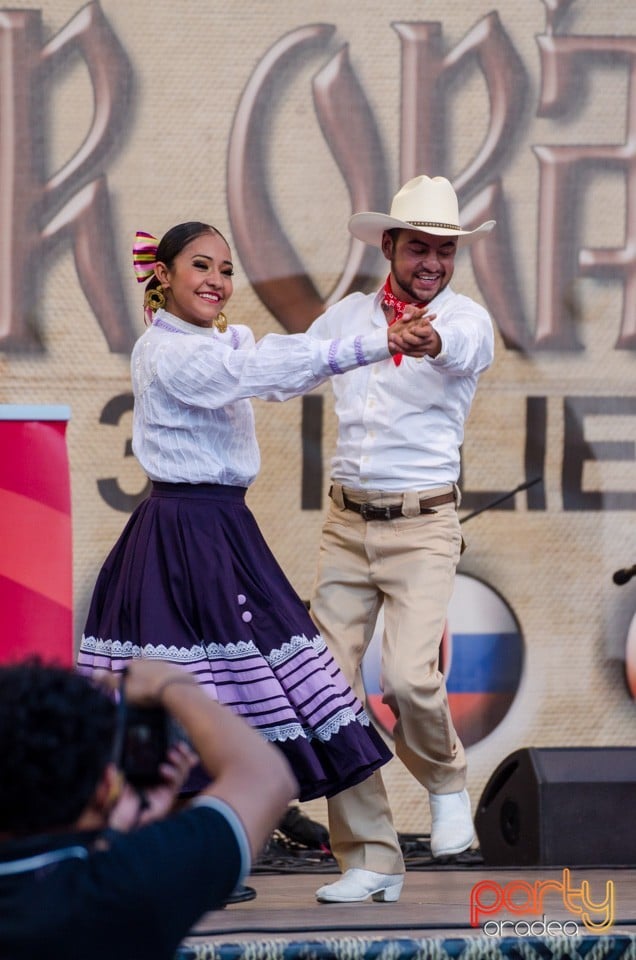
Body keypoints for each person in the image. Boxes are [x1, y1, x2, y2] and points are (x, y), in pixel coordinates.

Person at [77, 220, 433, 804]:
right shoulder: (165, 350)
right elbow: (256, 374)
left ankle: (214, 835)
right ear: (162, 275)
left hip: (221, 528)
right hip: (183, 532)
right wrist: (381, 342)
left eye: (226, 269)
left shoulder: (223, 342)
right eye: (201, 265)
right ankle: (188, 837)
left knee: (236, 678)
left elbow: (272, 359)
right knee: (200, 679)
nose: (217, 279)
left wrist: (375, 339)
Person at [307, 175, 496, 904]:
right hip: (347, 524)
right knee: (327, 689)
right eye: (420, 248)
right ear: (388, 246)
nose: (433, 264)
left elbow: (462, 348)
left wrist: (429, 335)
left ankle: (447, 785)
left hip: (423, 526)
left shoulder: (464, 318)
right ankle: (372, 855)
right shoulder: (347, 318)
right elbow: (292, 365)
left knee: (411, 677)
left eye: (445, 251)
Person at [0, 656, 297, 960]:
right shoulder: (121, 889)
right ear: (105, 788)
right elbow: (266, 778)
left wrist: (115, 835)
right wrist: (171, 684)